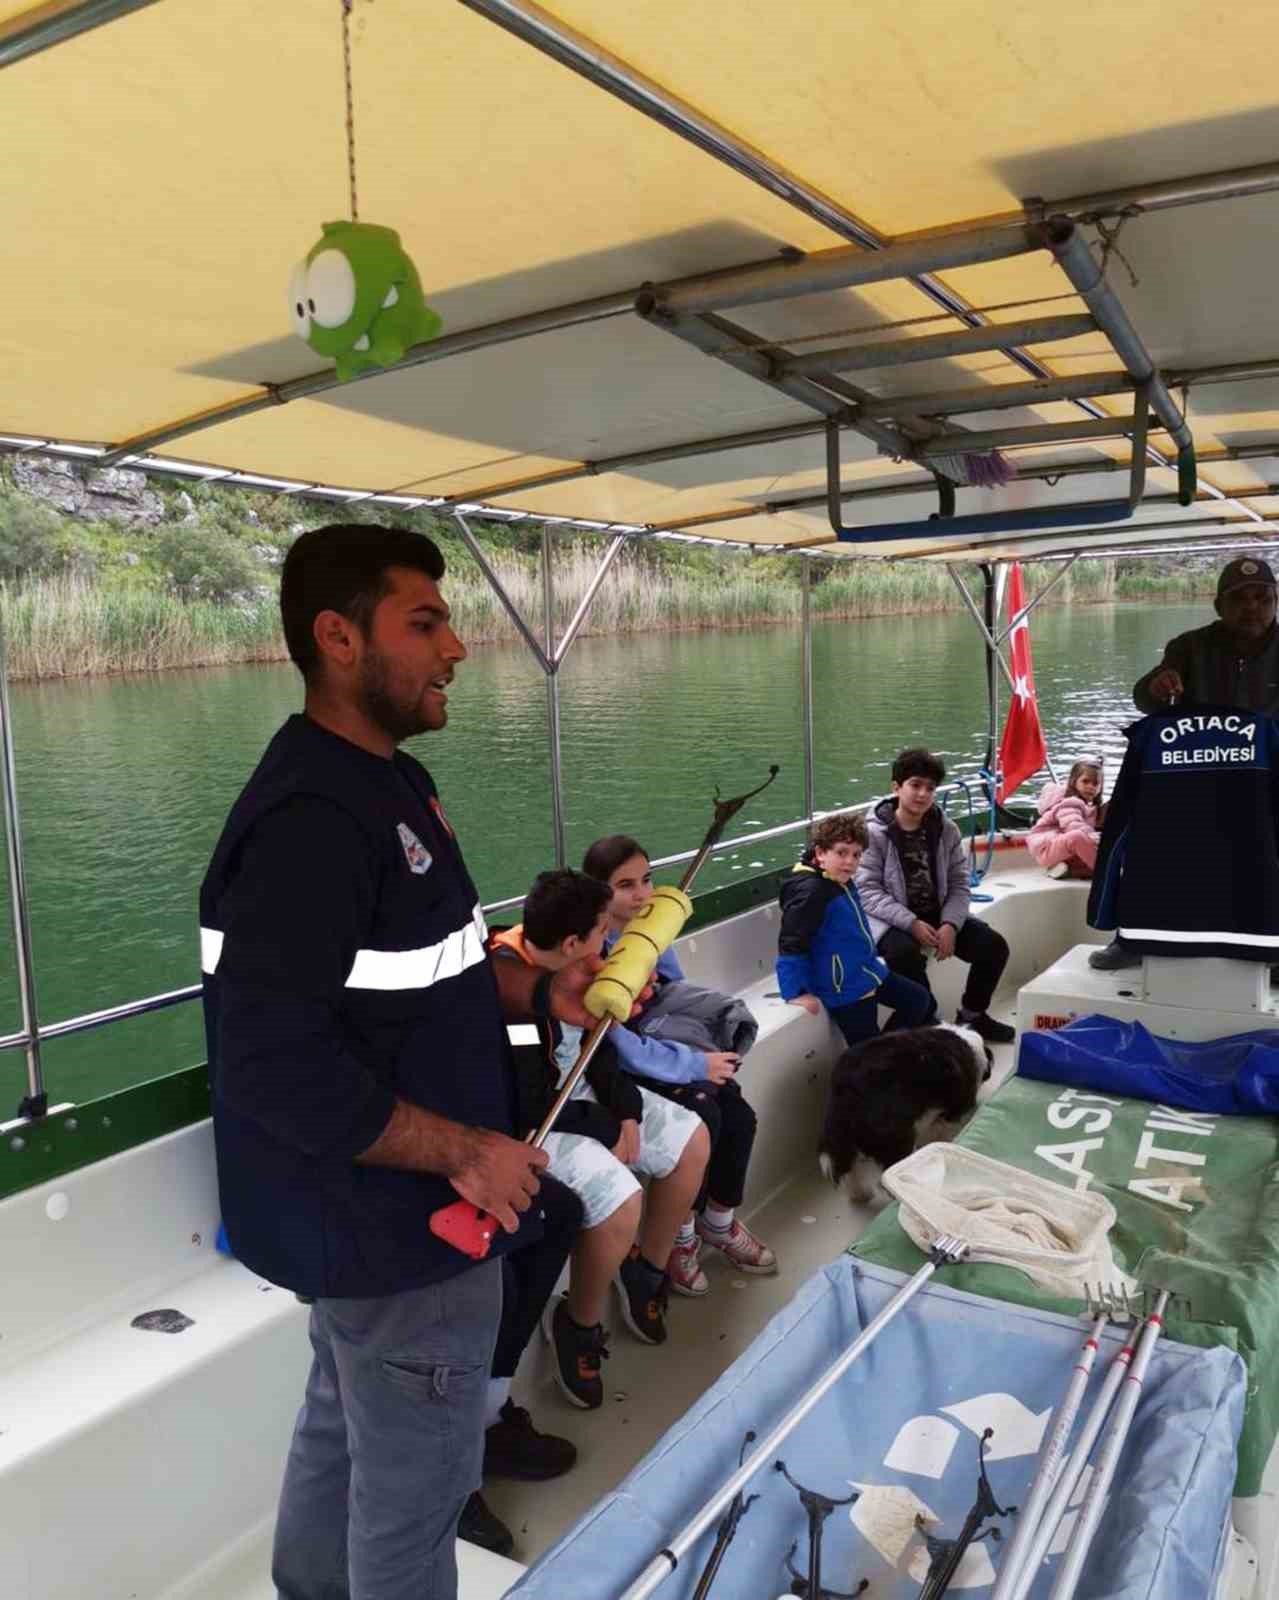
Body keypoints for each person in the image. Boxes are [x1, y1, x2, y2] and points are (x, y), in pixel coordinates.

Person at [201, 523, 607, 1600]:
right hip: (400, 1232)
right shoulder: (310, 818)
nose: (457, 647)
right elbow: (268, 1059)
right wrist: (469, 1151)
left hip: (370, 1238)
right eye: (424, 623)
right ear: (339, 638)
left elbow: (421, 974)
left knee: (340, 1435)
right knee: (414, 1503)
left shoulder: (392, 785)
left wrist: (536, 989)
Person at [489, 868, 711, 1395]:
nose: (605, 945)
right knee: (619, 1201)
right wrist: (602, 1124)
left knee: (692, 1139)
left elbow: (600, 1043)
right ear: (570, 942)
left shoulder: (580, 967)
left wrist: (627, 1108)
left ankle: (647, 1270)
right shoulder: (507, 995)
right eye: (598, 934)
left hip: (587, 1098)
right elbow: (526, 1104)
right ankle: (579, 1323)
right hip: (536, 1122)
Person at [583, 834, 779, 1294]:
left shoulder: (651, 931)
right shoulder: (591, 952)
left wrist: (701, 1052)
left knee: (740, 1116)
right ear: (598, 891)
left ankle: (719, 1220)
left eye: (647, 881)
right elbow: (616, 1044)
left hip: (663, 1047)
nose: (642, 895)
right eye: (625, 885)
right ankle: (681, 1237)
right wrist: (693, 1065)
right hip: (620, 1064)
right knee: (704, 1112)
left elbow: (675, 999)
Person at [1095, 554, 1279, 969]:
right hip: (1195, 783)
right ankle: (1135, 938)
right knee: (1152, 848)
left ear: (1275, 601)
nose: (1252, 606)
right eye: (1240, 599)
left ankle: (1275, 949)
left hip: (1266, 785)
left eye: (1262, 597)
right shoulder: (1189, 646)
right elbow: (1144, 698)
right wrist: (1157, 686)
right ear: (1219, 606)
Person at [857, 748, 1015, 1045]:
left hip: (938, 912)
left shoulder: (946, 830)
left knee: (993, 947)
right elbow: (867, 890)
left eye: (930, 788)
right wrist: (911, 922)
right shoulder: (873, 833)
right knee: (902, 953)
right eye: (915, 785)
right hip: (889, 918)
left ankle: (972, 1016)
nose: (922, 794)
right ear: (896, 788)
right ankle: (926, 1020)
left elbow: (959, 882)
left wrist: (951, 924)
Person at [776, 811, 937, 1045]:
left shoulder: (837, 878)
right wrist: (795, 992)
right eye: (841, 853)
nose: (850, 861)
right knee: (867, 1047)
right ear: (821, 853)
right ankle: (878, 1059)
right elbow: (791, 942)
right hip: (843, 989)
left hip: (867, 971)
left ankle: (885, 1051)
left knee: (919, 1000)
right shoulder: (812, 892)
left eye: (856, 855)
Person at [1026, 758, 1104, 881]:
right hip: (1047, 849)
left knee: (1088, 850)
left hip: (1063, 850)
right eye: (1085, 781)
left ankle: (1069, 870)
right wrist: (1092, 836)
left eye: (1095, 784)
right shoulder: (1069, 802)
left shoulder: (1091, 808)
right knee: (1077, 836)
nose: (1090, 787)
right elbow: (1072, 824)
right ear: (1074, 782)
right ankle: (1105, 872)